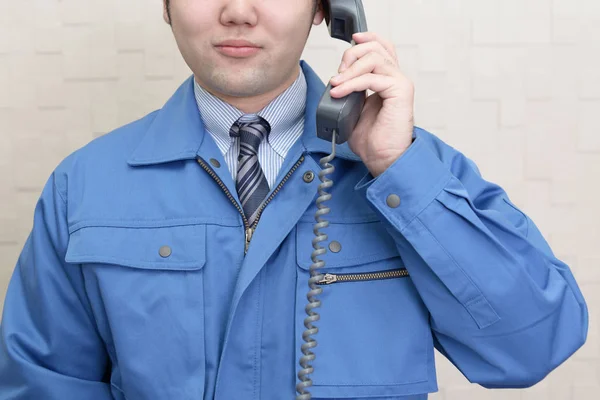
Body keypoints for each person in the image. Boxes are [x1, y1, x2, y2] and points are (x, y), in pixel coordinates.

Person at [0, 1, 588, 399]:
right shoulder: (85, 186)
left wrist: (398, 170)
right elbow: (43, 384)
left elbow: (533, 346)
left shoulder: (411, 171)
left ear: (325, 10)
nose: (237, 10)